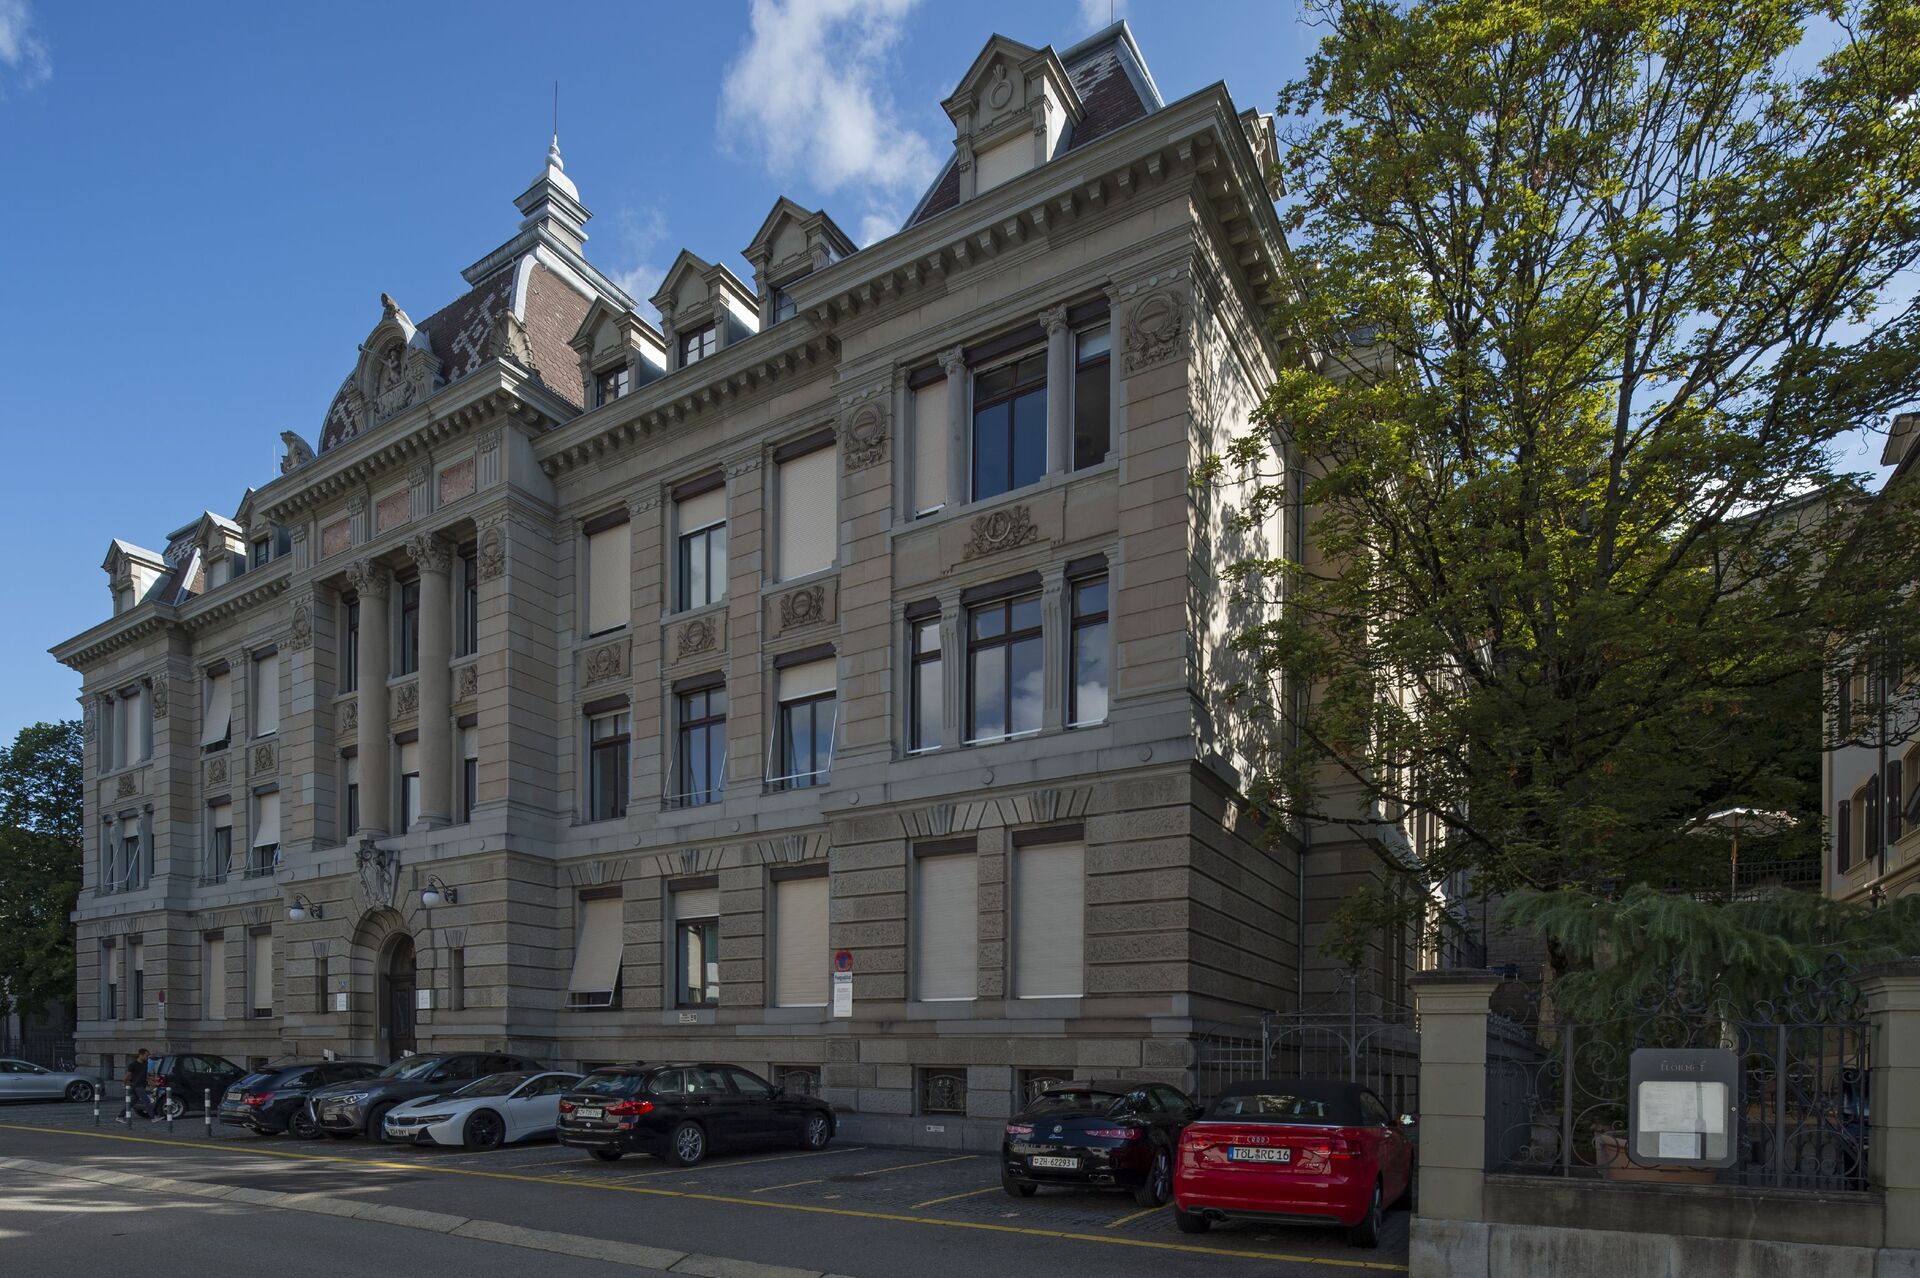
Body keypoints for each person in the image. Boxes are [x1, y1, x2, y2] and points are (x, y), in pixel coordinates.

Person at [123, 1049, 151, 1122]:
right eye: (146, 1055)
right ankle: (153, 1117)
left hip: (142, 1085)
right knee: (147, 1101)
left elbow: (146, 1075)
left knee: (132, 1102)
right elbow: (127, 1075)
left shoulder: (145, 1064)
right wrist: (124, 1084)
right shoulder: (133, 1064)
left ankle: (120, 1116)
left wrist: (150, 1082)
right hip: (137, 1085)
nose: (147, 1057)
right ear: (141, 1055)